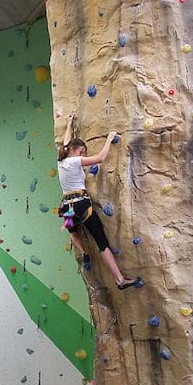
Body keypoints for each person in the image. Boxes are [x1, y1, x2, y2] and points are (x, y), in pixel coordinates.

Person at [57, 115, 142, 291]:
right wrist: (109, 140)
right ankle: (119, 279)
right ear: (77, 151)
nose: (83, 157)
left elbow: (66, 142)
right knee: (101, 243)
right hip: (81, 205)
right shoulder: (75, 161)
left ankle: (85, 253)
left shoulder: (61, 161)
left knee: (72, 231)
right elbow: (100, 158)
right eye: (82, 153)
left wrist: (69, 124)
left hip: (67, 207)